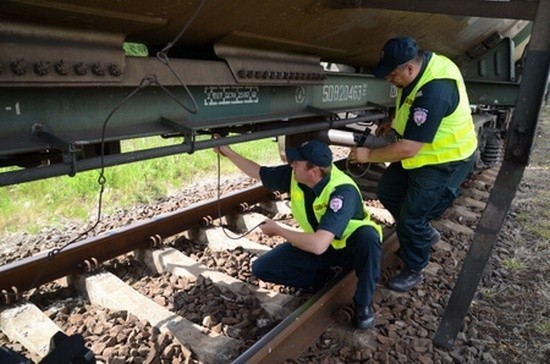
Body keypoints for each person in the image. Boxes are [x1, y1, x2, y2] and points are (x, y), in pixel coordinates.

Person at [348, 36, 477, 292]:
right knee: (388, 191)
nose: (389, 79)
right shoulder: (420, 68)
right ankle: (423, 234)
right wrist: (394, 120)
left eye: (392, 75)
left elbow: (408, 148)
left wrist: (368, 156)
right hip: (422, 154)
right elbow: (410, 102)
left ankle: (416, 267)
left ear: (409, 68)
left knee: (412, 218)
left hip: (445, 159)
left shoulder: (436, 89)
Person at [213, 139, 383, 329]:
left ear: (314, 171)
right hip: (320, 245)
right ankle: (323, 280)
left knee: (368, 237)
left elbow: (318, 245)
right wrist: (228, 152)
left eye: (297, 163)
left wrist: (279, 230)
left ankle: (363, 304)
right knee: (262, 267)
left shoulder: (342, 191)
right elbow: (258, 173)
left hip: (349, 248)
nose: (292, 164)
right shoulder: (296, 176)